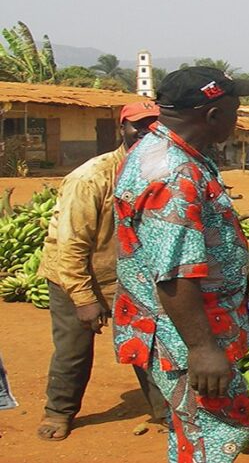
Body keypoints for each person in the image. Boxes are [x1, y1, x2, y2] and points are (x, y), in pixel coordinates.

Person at [111, 68, 249, 463]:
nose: (238, 118)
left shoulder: (175, 153)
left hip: (193, 324)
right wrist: (202, 348)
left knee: (195, 431)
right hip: (184, 334)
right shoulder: (174, 173)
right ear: (212, 116)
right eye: (235, 109)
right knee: (213, 431)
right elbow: (174, 273)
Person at [35, 102, 167, 441]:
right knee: (74, 349)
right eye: (138, 125)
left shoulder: (159, 172)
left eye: (154, 124)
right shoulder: (92, 177)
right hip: (76, 273)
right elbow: (71, 245)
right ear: (121, 129)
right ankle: (59, 412)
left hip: (130, 275)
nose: (146, 131)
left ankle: (164, 409)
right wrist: (83, 298)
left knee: (149, 344)